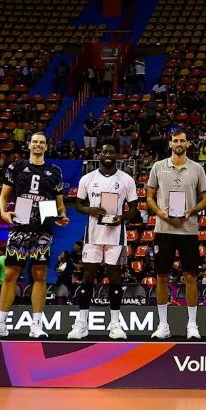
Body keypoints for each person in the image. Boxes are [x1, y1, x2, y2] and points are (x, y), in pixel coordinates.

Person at [0, 132, 70, 338]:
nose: (38, 145)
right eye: (35, 142)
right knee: (10, 275)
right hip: (19, 226)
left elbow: (60, 205)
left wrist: (62, 216)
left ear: (46, 147)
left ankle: (36, 325)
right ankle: (1, 324)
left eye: (42, 142)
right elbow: (3, 197)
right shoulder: (16, 167)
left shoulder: (55, 171)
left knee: (40, 276)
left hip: (43, 229)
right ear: (29, 145)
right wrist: (3, 213)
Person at [67, 143, 138, 340]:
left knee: (115, 279)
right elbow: (78, 204)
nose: (108, 154)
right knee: (87, 278)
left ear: (117, 155)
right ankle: (82, 324)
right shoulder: (87, 179)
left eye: (111, 152)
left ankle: (115, 324)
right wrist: (88, 209)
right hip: (93, 236)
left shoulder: (126, 180)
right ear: (99, 154)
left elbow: (134, 209)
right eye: (105, 151)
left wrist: (121, 218)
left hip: (116, 236)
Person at [146, 130, 206, 339]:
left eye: (182, 140)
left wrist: (191, 210)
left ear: (188, 144)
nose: (179, 143)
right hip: (163, 229)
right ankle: (163, 325)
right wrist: (160, 213)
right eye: (175, 140)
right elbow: (149, 197)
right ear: (170, 144)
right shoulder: (158, 166)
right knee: (161, 276)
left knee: (190, 276)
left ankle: (192, 325)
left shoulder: (197, 168)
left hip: (188, 229)